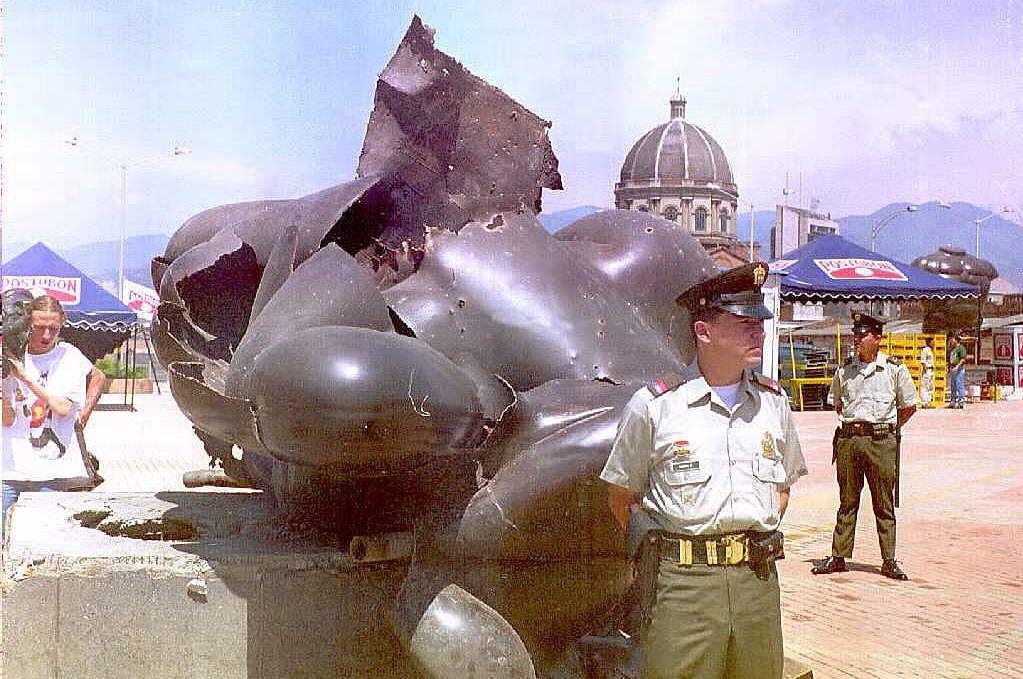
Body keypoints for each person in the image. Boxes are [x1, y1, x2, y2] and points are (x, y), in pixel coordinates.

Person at [600, 262, 807, 679]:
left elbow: (781, 489)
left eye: (760, 322)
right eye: (743, 322)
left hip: (757, 583)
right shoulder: (656, 407)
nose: (759, 332)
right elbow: (622, 498)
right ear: (703, 331)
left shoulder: (773, 404)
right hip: (684, 588)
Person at [812, 312, 917, 581]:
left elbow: (909, 407)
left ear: (878, 338)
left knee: (883, 503)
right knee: (847, 501)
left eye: (862, 335)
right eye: (855, 334)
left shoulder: (894, 370)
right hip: (849, 441)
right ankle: (838, 556)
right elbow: (837, 403)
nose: (856, 339)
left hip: (881, 442)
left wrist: (887, 429)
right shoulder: (844, 370)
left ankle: (889, 560)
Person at [2, 295, 98, 542]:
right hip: (10, 470)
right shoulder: (12, 357)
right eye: (39, 328)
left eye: (53, 329)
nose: (46, 336)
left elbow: (63, 408)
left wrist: (26, 379)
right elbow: (8, 420)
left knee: (44, 541)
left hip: (51, 473)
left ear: (62, 324)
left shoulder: (69, 357)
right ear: (27, 325)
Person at [947, 333, 967, 408]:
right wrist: (949, 367)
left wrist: (957, 366)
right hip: (952, 368)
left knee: (959, 384)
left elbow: (963, 359)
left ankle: (961, 401)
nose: (951, 341)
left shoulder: (961, 348)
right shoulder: (952, 349)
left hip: (959, 369)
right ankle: (953, 401)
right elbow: (951, 359)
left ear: (956, 340)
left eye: (952, 339)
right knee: (953, 386)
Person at [918, 337, 935, 407]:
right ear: (929, 342)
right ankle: (924, 403)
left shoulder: (931, 350)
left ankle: (928, 402)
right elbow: (923, 361)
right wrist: (925, 370)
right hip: (927, 370)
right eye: (932, 342)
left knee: (930, 387)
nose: (933, 343)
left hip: (931, 369)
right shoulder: (925, 350)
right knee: (925, 386)